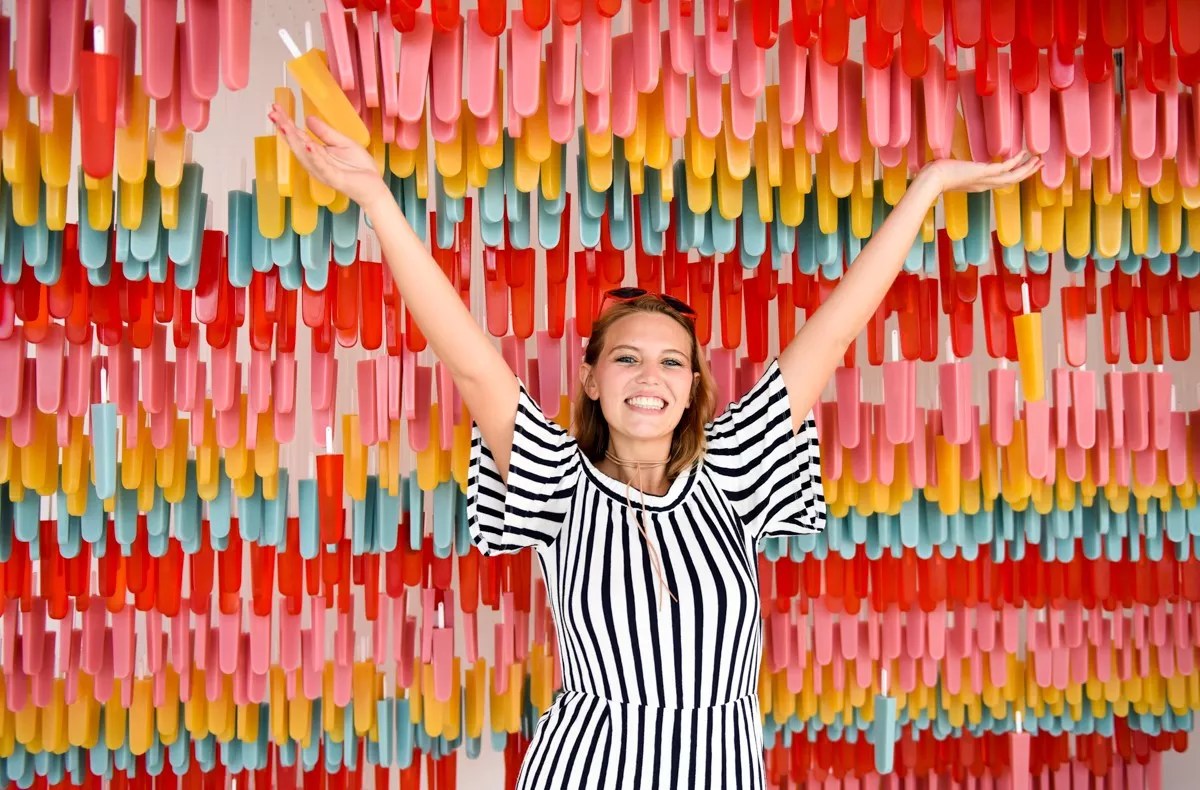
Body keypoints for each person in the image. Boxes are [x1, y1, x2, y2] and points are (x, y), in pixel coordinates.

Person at [269, 104, 1041, 788]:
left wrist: (928, 188)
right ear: (592, 379)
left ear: (694, 384)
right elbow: (469, 361)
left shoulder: (734, 466)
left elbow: (837, 329)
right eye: (627, 358)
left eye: (672, 361)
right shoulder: (556, 479)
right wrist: (376, 200)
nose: (650, 376)